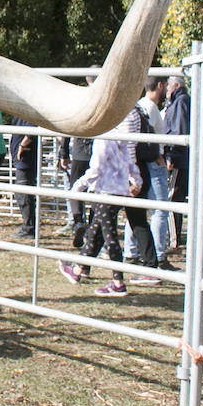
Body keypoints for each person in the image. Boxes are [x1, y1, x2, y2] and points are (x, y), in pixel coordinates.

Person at [59, 123, 143, 297]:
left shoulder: (102, 139)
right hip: (119, 191)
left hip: (105, 192)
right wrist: (137, 180)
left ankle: (118, 282)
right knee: (95, 233)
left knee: (109, 237)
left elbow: (96, 169)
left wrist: (78, 186)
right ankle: (78, 268)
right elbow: (129, 162)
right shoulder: (119, 137)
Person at [126, 76, 172, 265]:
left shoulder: (138, 106)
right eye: (166, 85)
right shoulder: (149, 108)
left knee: (135, 212)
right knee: (159, 210)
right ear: (160, 85)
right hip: (149, 164)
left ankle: (132, 252)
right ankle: (157, 255)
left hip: (136, 165)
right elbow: (147, 141)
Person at [163, 76, 191, 243]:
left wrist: (172, 155)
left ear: (177, 85)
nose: (166, 90)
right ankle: (173, 236)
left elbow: (179, 130)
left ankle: (173, 238)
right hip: (178, 156)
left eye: (168, 86)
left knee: (173, 197)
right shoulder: (179, 102)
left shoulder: (181, 102)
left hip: (178, 157)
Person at [9, 117, 39, 238]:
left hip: (26, 159)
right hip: (22, 160)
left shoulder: (27, 114)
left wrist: (22, 145)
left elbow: (32, 130)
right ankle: (28, 226)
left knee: (24, 194)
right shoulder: (20, 115)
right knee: (22, 193)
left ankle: (29, 228)